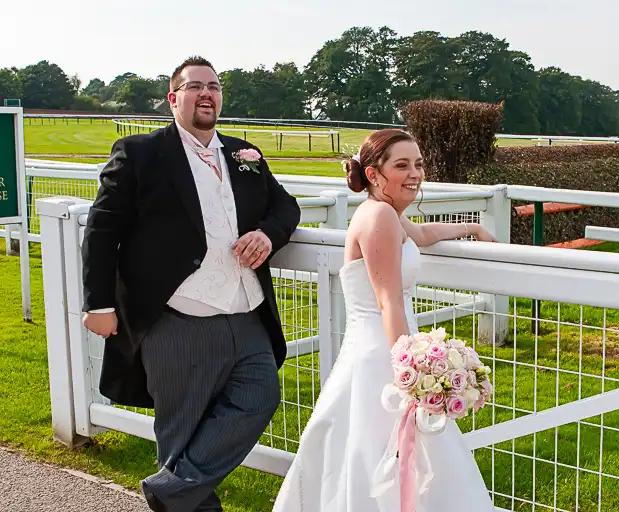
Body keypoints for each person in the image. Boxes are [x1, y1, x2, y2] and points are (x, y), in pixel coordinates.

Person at [80, 56, 301, 511]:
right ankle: (181, 498)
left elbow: (286, 207)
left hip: (247, 315)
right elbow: (102, 229)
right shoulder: (140, 152)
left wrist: (268, 234)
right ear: (173, 98)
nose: (206, 93)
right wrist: (98, 304)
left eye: (214, 86)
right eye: (195, 86)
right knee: (181, 431)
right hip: (178, 318)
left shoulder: (244, 155)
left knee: (260, 397)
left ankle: (166, 493)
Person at [272, 128, 498, 511]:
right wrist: (414, 371)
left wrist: (472, 227)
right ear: (374, 174)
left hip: (383, 348)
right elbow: (388, 301)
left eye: (419, 164)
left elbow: (422, 233)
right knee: (381, 452)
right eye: (402, 165)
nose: (415, 174)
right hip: (383, 355)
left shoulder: (386, 212)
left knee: (398, 455)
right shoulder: (378, 216)